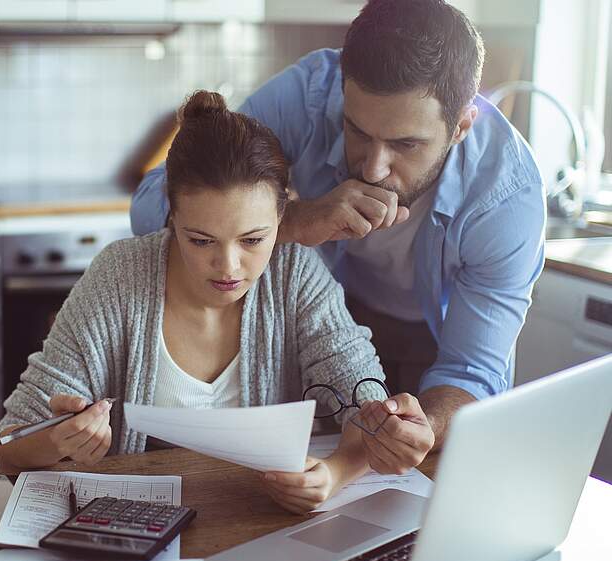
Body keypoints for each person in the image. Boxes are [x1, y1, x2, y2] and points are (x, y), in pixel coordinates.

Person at [130, 0, 545, 475]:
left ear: (461, 127)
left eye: (405, 144)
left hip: (430, 345)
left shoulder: (507, 198)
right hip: (317, 328)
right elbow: (149, 205)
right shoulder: (308, 95)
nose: (373, 167)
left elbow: (472, 371)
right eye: (357, 131)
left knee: (414, 496)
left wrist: (427, 424)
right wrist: (294, 222)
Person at [0, 91, 426, 514]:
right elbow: (5, 447)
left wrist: (334, 474)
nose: (228, 266)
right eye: (200, 240)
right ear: (172, 217)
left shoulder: (295, 273)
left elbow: (366, 408)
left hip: (253, 528)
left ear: (283, 217)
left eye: (253, 240)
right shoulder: (119, 277)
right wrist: (56, 440)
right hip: (131, 531)